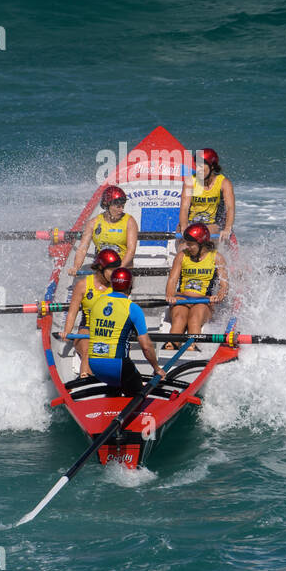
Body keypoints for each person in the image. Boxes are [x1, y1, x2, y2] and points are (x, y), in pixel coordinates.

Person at [86, 267, 165, 395]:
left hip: (94, 365)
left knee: (117, 382)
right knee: (135, 385)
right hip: (117, 367)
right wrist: (156, 368)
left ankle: (112, 396)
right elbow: (146, 347)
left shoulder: (96, 302)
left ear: (112, 283)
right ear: (130, 285)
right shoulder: (132, 308)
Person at [163, 222, 228, 351]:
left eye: (191, 244)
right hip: (181, 298)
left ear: (202, 243)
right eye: (187, 243)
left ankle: (192, 345)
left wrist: (220, 295)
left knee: (194, 318)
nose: (188, 246)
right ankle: (172, 344)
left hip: (204, 301)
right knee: (179, 318)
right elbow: (172, 280)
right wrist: (170, 296)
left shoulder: (217, 258)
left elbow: (224, 285)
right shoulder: (182, 256)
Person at [61, 248, 122, 379]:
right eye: (111, 270)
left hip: (108, 330)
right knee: (89, 351)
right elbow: (72, 312)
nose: (115, 274)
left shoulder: (119, 287)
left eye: (117, 269)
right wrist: (67, 331)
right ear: (100, 268)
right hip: (86, 330)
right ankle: (85, 379)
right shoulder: (83, 285)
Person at [69, 185, 139, 275]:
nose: (121, 210)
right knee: (80, 287)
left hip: (122, 270)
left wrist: (119, 268)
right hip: (101, 269)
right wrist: (76, 267)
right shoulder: (93, 223)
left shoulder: (130, 221)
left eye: (123, 206)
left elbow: (131, 250)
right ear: (106, 204)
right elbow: (82, 249)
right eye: (118, 206)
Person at [178, 148, 234, 245]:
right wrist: (184, 227)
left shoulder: (224, 183)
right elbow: (184, 208)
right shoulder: (190, 182)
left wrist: (227, 228)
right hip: (191, 223)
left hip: (212, 224)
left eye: (202, 166)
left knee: (206, 242)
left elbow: (230, 208)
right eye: (197, 166)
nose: (198, 169)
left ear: (212, 166)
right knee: (183, 248)